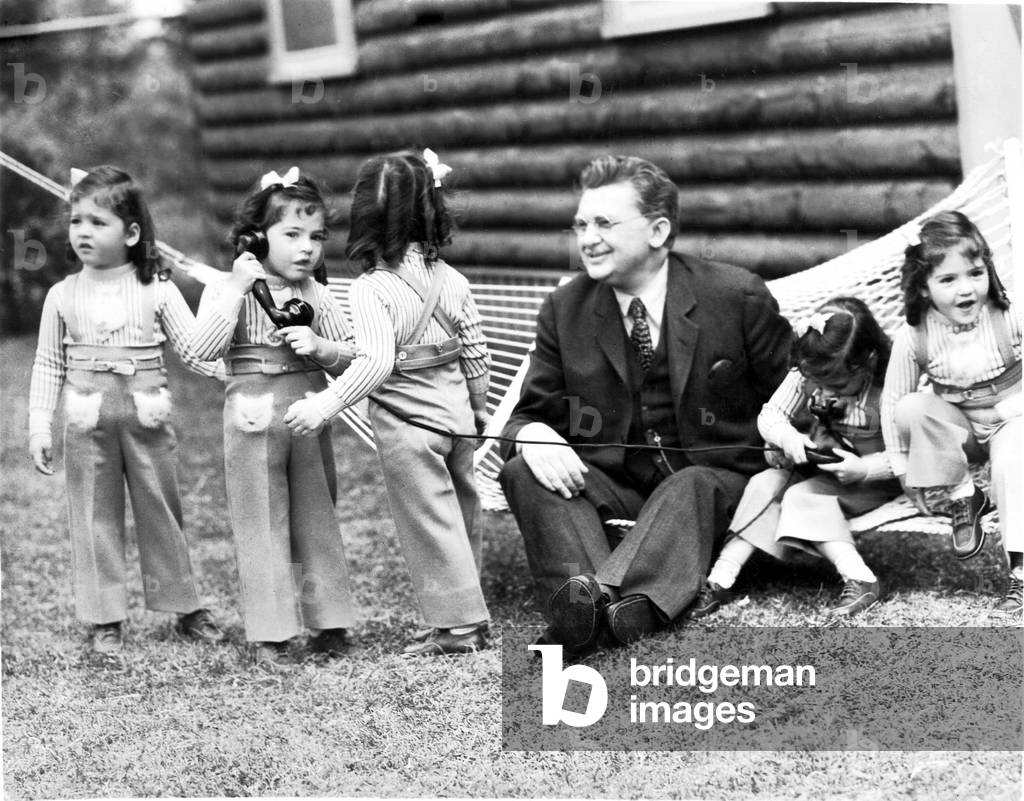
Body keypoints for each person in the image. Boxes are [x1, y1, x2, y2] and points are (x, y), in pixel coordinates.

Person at [498, 155, 792, 653]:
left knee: (690, 484)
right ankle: (614, 606)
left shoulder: (734, 295)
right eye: (581, 225)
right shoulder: (565, 310)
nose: (587, 238)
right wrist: (531, 435)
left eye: (604, 223)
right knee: (525, 470)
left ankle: (589, 607)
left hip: (717, 488)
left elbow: (797, 390)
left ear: (657, 230)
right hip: (622, 487)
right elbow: (526, 416)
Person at [283, 149, 492, 657]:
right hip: (457, 414)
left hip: (408, 425)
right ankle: (470, 616)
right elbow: (476, 349)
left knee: (428, 521)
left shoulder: (371, 290)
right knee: (463, 513)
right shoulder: (454, 280)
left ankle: (459, 627)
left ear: (364, 219)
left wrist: (324, 405)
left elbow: (376, 363)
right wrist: (480, 407)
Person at [28, 165, 224, 655]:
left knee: (161, 509)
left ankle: (184, 606)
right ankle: (104, 616)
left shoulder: (157, 288)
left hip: (146, 417)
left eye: (98, 222)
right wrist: (38, 427)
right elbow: (48, 363)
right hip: (85, 421)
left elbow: (196, 349)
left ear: (132, 233)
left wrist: (231, 361)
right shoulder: (62, 295)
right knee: (93, 516)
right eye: (77, 222)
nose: (83, 233)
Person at [190, 167, 359, 666]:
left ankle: (330, 622)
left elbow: (353, 356)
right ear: (255, 238)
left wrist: (322, 346)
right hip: (251, 415)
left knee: (318, 515)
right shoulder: (229, 288)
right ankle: (271, 631)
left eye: (316, 237)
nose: (306, 248)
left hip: (308, 412)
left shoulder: (318, 294)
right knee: (260, 519)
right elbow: (200, 350)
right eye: (292, 234)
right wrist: (236, 290)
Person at [691, 297, 901, 620]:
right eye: (819, 385)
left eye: (839, 385)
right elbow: (771, 415)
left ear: (869, 361)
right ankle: (721, 578)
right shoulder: (812, 370)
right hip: (824, 469)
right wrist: (789, 439)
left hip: (874, 479)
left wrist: (865, 470)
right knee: (764, 485)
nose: (826, 393)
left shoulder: (889, 391)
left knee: (802, 497)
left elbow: (909, 457)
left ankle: (861, 577)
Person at [882, 210, 1021, 615]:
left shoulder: (1010, 316)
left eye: (975, 274)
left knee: (1014, 462)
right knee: (912, 408)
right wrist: (901, 469)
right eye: (948, 279)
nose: (966, 290)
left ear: (988, 273)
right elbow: (893, 402)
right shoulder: (913, 336)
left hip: (1015, 419)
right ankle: (965, 496)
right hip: (961, 431)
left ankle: (1022, 574)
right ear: (923, 288)